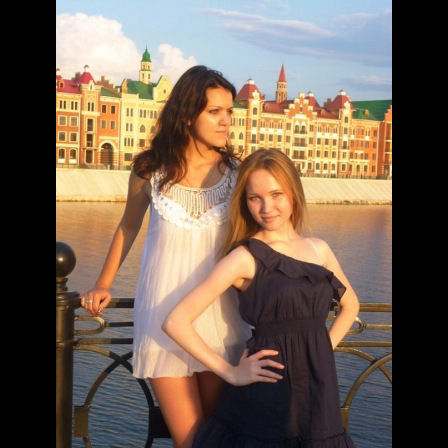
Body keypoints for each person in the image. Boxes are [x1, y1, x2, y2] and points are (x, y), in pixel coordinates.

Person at [80, 65, 252, 448]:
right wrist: (103, 283)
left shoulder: (238, 175)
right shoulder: (149, 170)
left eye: (229, 111)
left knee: (218, 437)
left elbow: (258, 241)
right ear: (188, 115)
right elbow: (127, 227)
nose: (226, 120)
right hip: (162, 319)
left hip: (222, 321)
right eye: (215, 112)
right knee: (189, 439)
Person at [163, 148, 360, 447]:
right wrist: (231, 373)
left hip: (318, 386)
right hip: (268, 386)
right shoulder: (245, 257)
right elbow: (176, 322)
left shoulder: (319, 249)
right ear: (245, 202)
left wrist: (321, 349)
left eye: (276, 194)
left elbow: (350, 305)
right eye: (255, 198)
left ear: (293, 193)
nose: (267, 207)